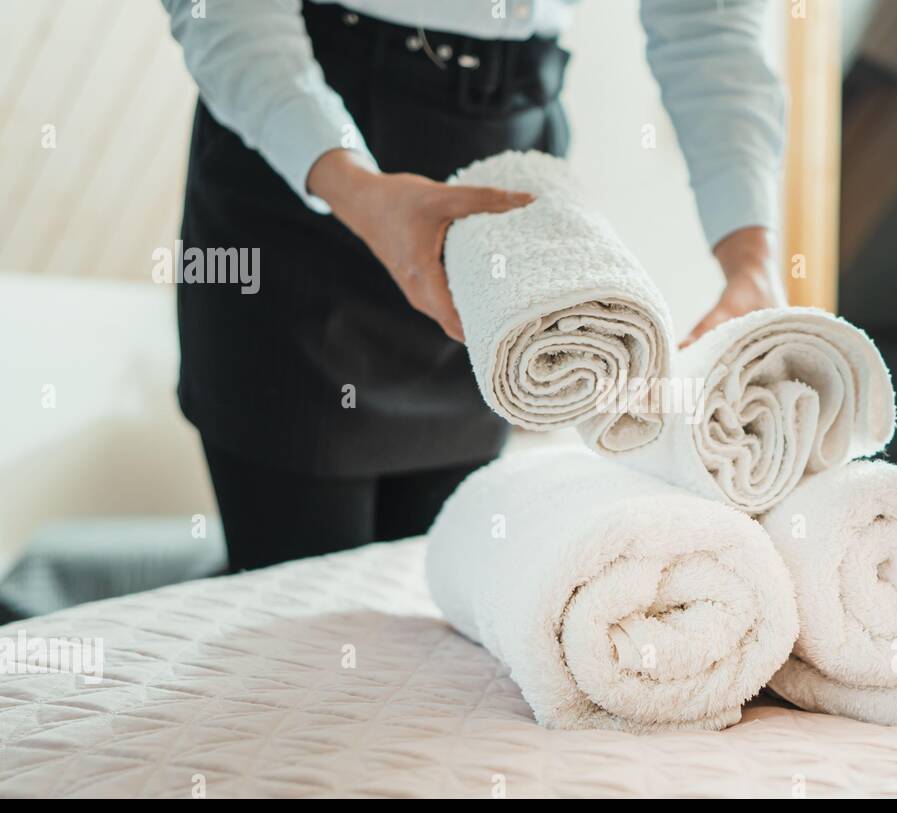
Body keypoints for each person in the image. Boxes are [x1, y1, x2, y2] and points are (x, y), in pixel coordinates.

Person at [162, 0, 785, 572]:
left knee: (439, 586)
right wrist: (350, 183)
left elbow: (711, 24)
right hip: (304, 157)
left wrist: (751, 261)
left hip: (499, 204)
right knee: (298, 595)